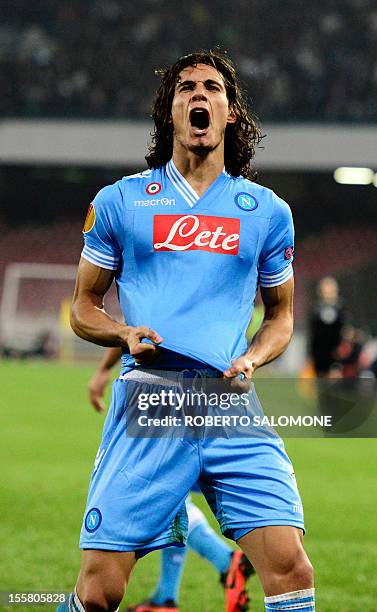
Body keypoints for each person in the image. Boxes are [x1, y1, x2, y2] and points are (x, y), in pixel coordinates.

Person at [58, 50, 314, 612]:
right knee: (100, 590)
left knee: (291, 567)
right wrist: (121, 335)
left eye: (213, 88)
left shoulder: (267, 212)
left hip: (230, 405)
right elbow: (83, 306)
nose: (199, 95)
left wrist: (253, 357)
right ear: (169, 114)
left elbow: (281, 316)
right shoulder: (120, 201)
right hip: (151, 404)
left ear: (230, 114)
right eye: (186, 89)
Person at [88, 347, 254, 612]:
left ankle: (224, 560)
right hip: (209, 396)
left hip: (164, 394)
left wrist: (103, 369)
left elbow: (131, 328)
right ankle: (167, 596)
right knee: (175, 495)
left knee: (160, 493)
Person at [308, 276, 345, 378]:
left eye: (331, 289)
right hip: (320, 357)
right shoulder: (316, 310)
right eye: (325, 289)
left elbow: (343, 334)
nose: (328, 292)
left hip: (337, 357)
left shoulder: (341, 309)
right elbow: (313, 336)